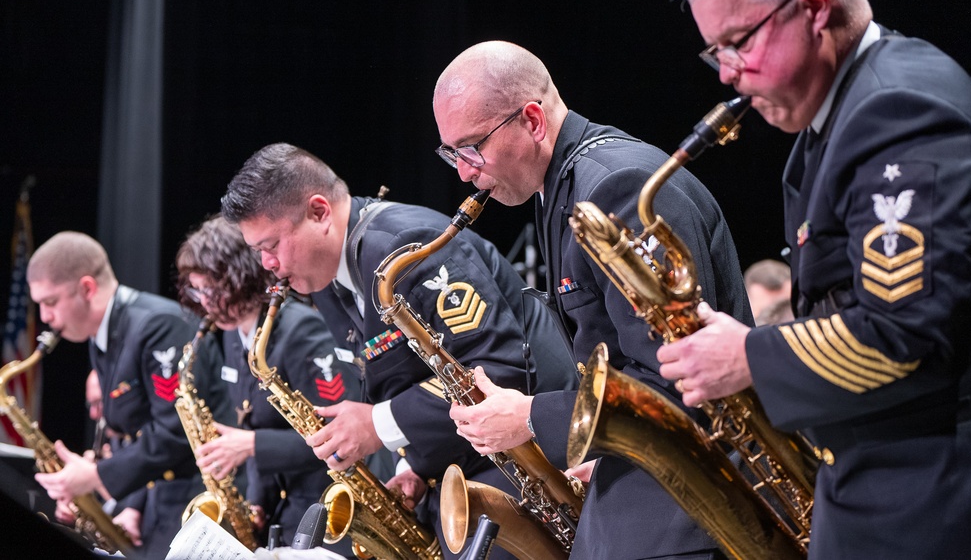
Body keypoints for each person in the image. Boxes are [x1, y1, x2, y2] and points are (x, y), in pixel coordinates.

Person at [658, 0, 971, 558]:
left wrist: (747, 357)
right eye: (716, 53)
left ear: (814, 8)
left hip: (935, 507)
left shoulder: (901, 108)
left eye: (739, 42)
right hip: (892, 492)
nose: (728, 73)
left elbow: (907, 336)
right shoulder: (845, 117)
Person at [432, 40, 752, 560]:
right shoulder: (562, 187)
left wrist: (533, 417)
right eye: (451, 155)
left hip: (688, 503)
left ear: (532, 120)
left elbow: (679, 380)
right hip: (656, 477)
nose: (465, 172)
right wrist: (597, 447)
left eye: (472, 148)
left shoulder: (614, 187)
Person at [219, 142, 576, 559]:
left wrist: (377, 424)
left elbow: (501, 367)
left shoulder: (404, 245)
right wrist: (412, 467)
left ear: (319, 213)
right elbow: (409, 375)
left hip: (535, 463)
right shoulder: (326, 278)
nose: (266, 265)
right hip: (469, 461)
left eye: (271, 245)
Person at [28, 231, 230, 559]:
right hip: (158, 500)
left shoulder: (157, 325)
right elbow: (132, 429)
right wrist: (131, 506)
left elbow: (175, 431)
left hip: (197, 504)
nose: (45, 317)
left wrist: (94, 477)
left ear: (87, 288)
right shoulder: (104, 333)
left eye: (50, 302)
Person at [175, 214, 367, 554]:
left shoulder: (301, 331)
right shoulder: (235, 336)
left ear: (241, 276)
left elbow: (339, 437)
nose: (204, 301)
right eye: (197, 290)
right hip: (282, 511)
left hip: (325, 513)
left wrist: (251, 445)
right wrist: (256, 503)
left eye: (212, 289)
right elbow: (257, 421)